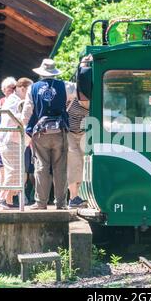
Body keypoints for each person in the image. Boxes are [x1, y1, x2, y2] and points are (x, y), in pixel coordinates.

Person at [21, 59, 73, 210]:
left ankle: (41, 202)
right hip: (60, 132)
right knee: (60, 168)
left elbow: (26, 112)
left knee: (41, 167)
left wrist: (26, 129)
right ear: (54, 72)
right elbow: (78, 95)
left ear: (41, 73)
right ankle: (61, 203)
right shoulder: (66, 86)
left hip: (40, 133)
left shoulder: (33, 88)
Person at [0, 77, 19, 210]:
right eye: (9, 88)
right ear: (3, 90)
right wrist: (1, 111)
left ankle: (9, 199)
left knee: (14, 171)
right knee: (3, 170)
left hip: (14, 140)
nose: (12, 90)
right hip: (0, 141)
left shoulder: (18, 102)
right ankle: (3, 198)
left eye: (14, 87)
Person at [66, 57, 92, 208]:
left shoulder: (97, 96)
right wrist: (83, 63)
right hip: (69, 133)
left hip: (83, 133)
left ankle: (76, 196)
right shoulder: (73, 93)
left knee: (81, 165)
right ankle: (73, 197)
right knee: (73, 163)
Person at [16, 78, 35, 204]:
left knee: (30, 172)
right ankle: (21, 196)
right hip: (23, 145)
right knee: (23, 171)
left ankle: (30, 195)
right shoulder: (16, 104)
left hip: (30, 144)